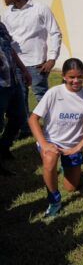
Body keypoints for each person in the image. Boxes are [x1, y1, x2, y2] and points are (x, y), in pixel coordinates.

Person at [27, 58, 83, 218]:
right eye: (71, 77)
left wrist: (78, 147)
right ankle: (54, 200)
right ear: (63, 76)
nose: (76, 80)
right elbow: (33, 119)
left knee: (71, 187)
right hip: (51, 141)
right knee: (50, 158)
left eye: (79, 76)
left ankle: (64, 168)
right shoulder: (54, 92)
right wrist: (44, 144)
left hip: (73, 145)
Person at [2, 0, 62, 138]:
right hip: (15, 65)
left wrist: (52, 58)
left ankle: (54, 127)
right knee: (20, 99)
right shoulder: (6, 13)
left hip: (37, 63)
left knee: (42, 96)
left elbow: (55, 32)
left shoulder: (40, 9)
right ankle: (25, 130)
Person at [0, 18, 30, 174]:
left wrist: (24, 70)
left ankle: (4, 147)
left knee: (19, 117)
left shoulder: (1, 25)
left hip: (12, 80)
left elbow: (10, 50)